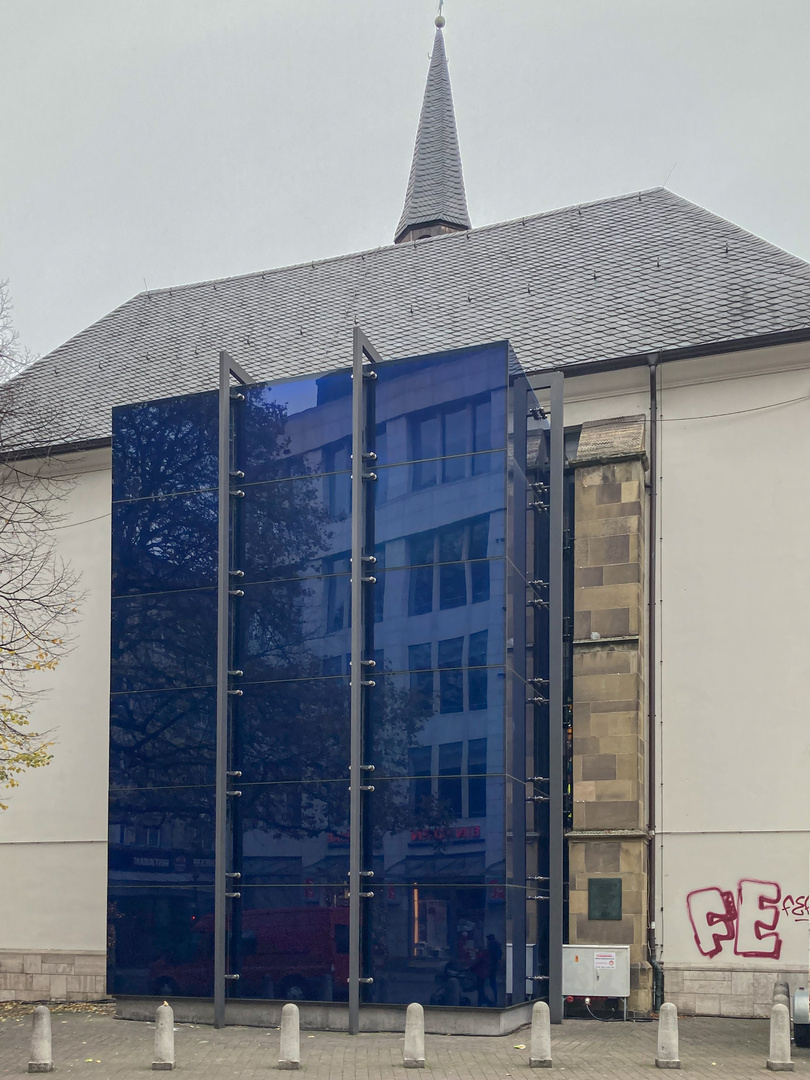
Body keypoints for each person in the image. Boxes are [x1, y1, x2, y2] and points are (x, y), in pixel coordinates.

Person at [486, 933, 502, 1005]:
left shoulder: (491, 945)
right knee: (493, 982)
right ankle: (495, 998)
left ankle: (492, 999)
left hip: (490, 965)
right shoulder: (497, 944)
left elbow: (488, 954)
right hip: (494, 965)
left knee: (491, 982)